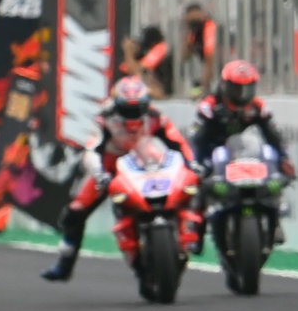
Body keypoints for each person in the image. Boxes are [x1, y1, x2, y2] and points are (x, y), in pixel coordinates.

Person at [40, 77, 196, 282]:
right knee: (75, 212)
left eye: (137, 108)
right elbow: (92, 151)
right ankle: (65, 262)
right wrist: (100, 174)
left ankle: (191, 238)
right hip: (113, 168)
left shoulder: (154, 115)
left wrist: (191, 163)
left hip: (147, 164)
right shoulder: (105, 118)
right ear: (117, 105)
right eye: (127, 110)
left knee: (190, 188)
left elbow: (177, 142)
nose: (133, 117)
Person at [189, 59, 296, 252]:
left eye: (247, 89)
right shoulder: (209, 106)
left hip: (241, 152)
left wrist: (284, 159)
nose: (242, 95)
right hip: (212, 152)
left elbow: (274, 136)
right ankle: (196, 231)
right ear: (224, 86)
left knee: (272, 167)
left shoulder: (258, 107)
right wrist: (197, 163)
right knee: (199, 184)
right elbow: (197, 138)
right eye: (237, 89)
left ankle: (276, 218)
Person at [181, 3, 218, 98]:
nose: (193, 21)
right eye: (191, 19)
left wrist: (204, 88)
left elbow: (210, 58)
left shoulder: (209, 27)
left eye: (195, 17)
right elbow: (185, 56)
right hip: (209, 71)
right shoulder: (193, 31)